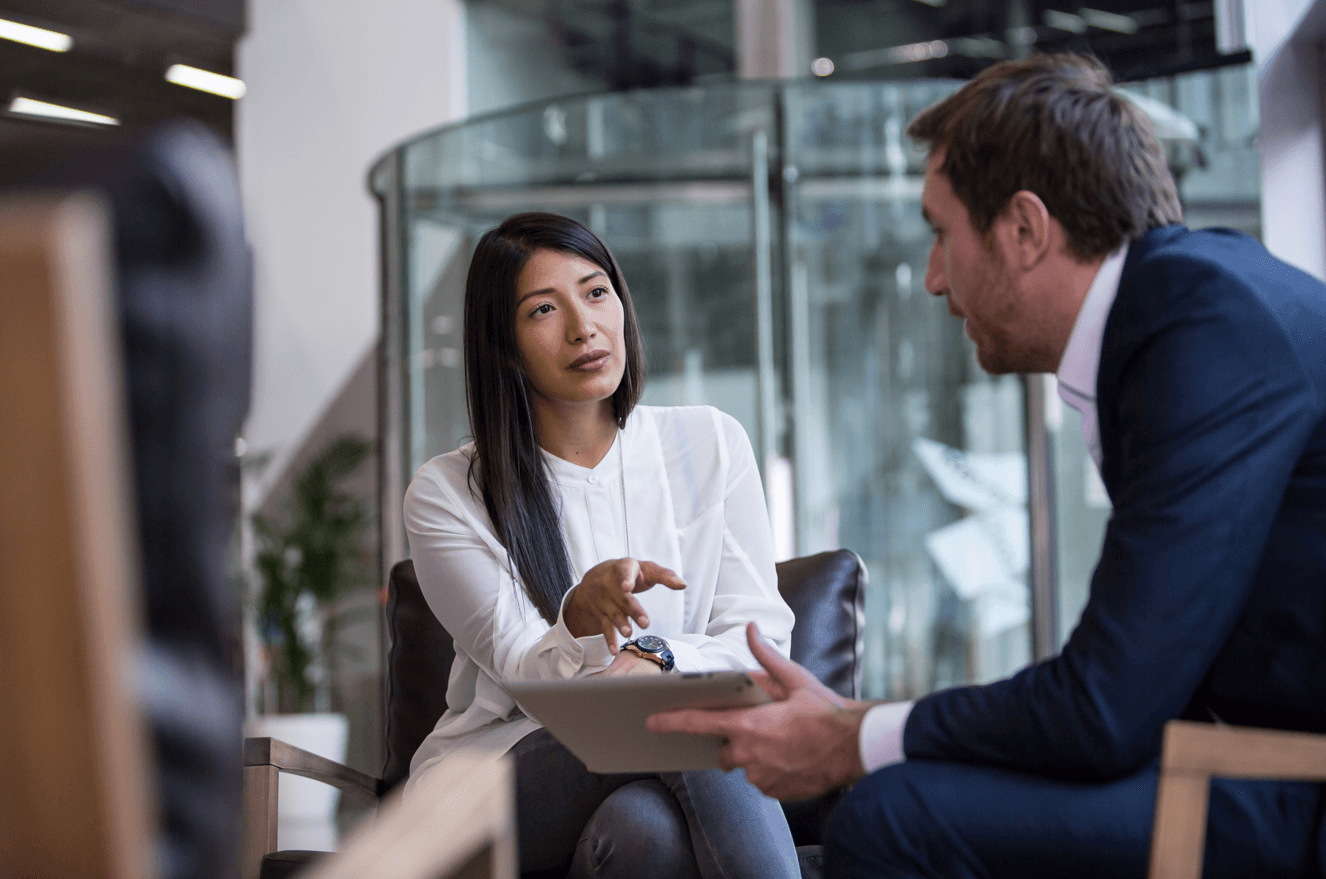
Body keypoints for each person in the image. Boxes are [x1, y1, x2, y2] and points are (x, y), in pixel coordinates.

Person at [650, 53, 1326, 878]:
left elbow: (1106, 706)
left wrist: (853, 736)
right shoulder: (1188, 298)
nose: (934, 279)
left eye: (941, 233)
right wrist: (863, 729)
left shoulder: (1200, 327)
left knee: (896, 816)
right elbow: (1127, 687)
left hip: (1293, 776)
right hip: (1246, 746)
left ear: (1025, 229)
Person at [402, 212, 800, 879]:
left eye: (595, 292)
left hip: (652, 778)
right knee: (681, 711)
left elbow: (761, 644)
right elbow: (525, 670)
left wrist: (656, 656)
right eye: (542, 310)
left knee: (642, 833)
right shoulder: (449, 491)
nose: (584, 327)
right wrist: (579, 624)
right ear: (503, 342)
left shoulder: (711, 443)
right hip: (493, 788)